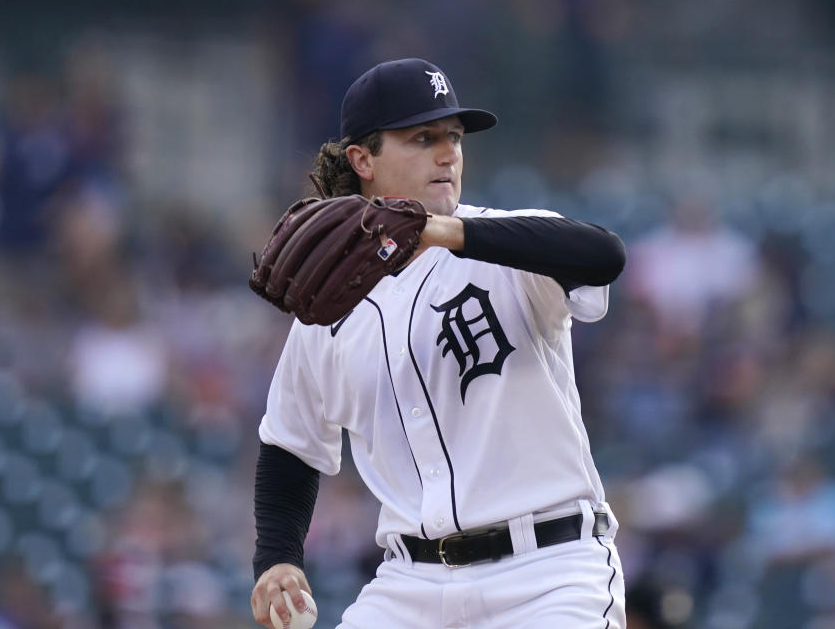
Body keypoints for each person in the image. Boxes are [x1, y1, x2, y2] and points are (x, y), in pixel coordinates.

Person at [250, 57, 628, 629]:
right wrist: (276, 557)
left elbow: (604, 255)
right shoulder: (326, 303)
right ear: (363, 159)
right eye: (422, 138)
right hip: (411, 585)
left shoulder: (509, 246)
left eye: (453, 137)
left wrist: (442, 231)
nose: (448, 152)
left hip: (549, 574)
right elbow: (290, 446)